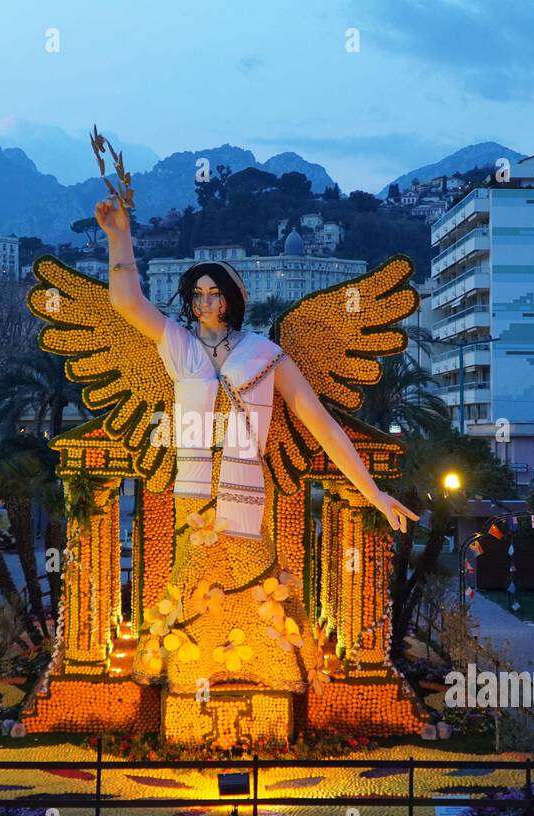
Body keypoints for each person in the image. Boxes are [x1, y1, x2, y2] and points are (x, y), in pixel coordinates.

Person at [88, 194, 418, 696]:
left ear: (232, 297)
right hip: (193, 499)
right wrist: (120, 237)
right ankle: (183, 678)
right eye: (197, 293)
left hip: (246, 497)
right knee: (190, 591)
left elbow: (323, 426)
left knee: (261, 586)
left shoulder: (266, 353)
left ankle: (278, 671)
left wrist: (373, 492)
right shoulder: (177, 345)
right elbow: (127, 302)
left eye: (214, 292)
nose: (205, 302)